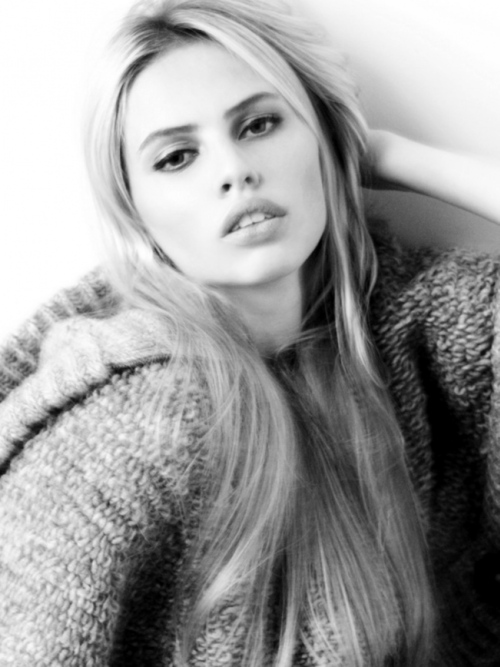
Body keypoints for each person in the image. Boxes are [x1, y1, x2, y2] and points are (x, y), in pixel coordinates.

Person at [0, 0, 499, 664]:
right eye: (177, 157)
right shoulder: (128, 430)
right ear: (138, 214)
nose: (234, 170)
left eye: (259, 124)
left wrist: (391, 155)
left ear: (323, 137)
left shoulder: (421, 328)